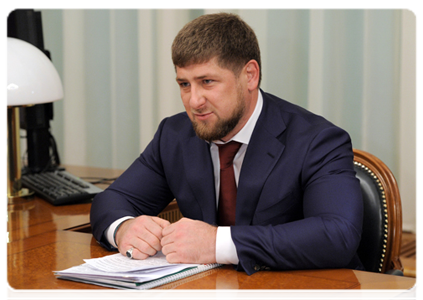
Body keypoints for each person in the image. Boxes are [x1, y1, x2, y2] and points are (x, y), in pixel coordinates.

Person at [90, 12, 364, 275]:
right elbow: (112, 200)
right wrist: (124, 228)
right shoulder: (174, 135)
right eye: (184, 84)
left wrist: (216, 243)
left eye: (207, 81)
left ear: (250, 76)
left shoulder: (317, 140)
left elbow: (337, 234)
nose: (193, 101)